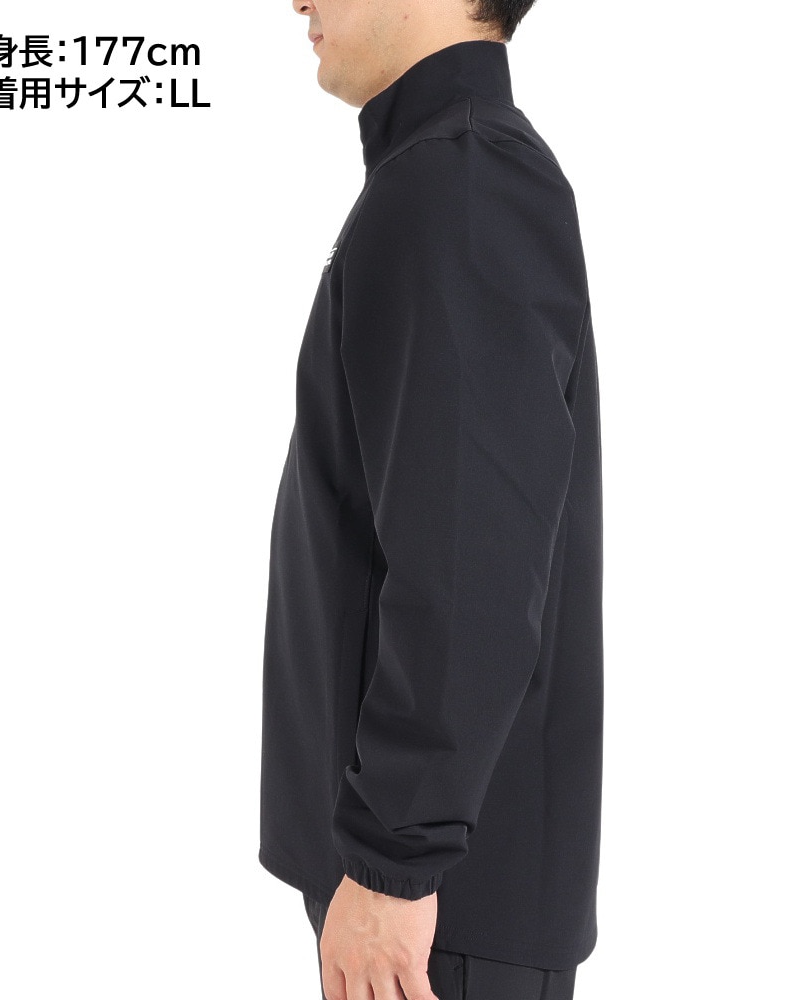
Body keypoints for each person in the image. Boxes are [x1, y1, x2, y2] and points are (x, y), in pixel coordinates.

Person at [260, 2, 604, 998]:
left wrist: (395, 860)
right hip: (424, 888)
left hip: (438, 904)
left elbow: (473, 560)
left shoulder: (461, 182)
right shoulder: (439, 174)